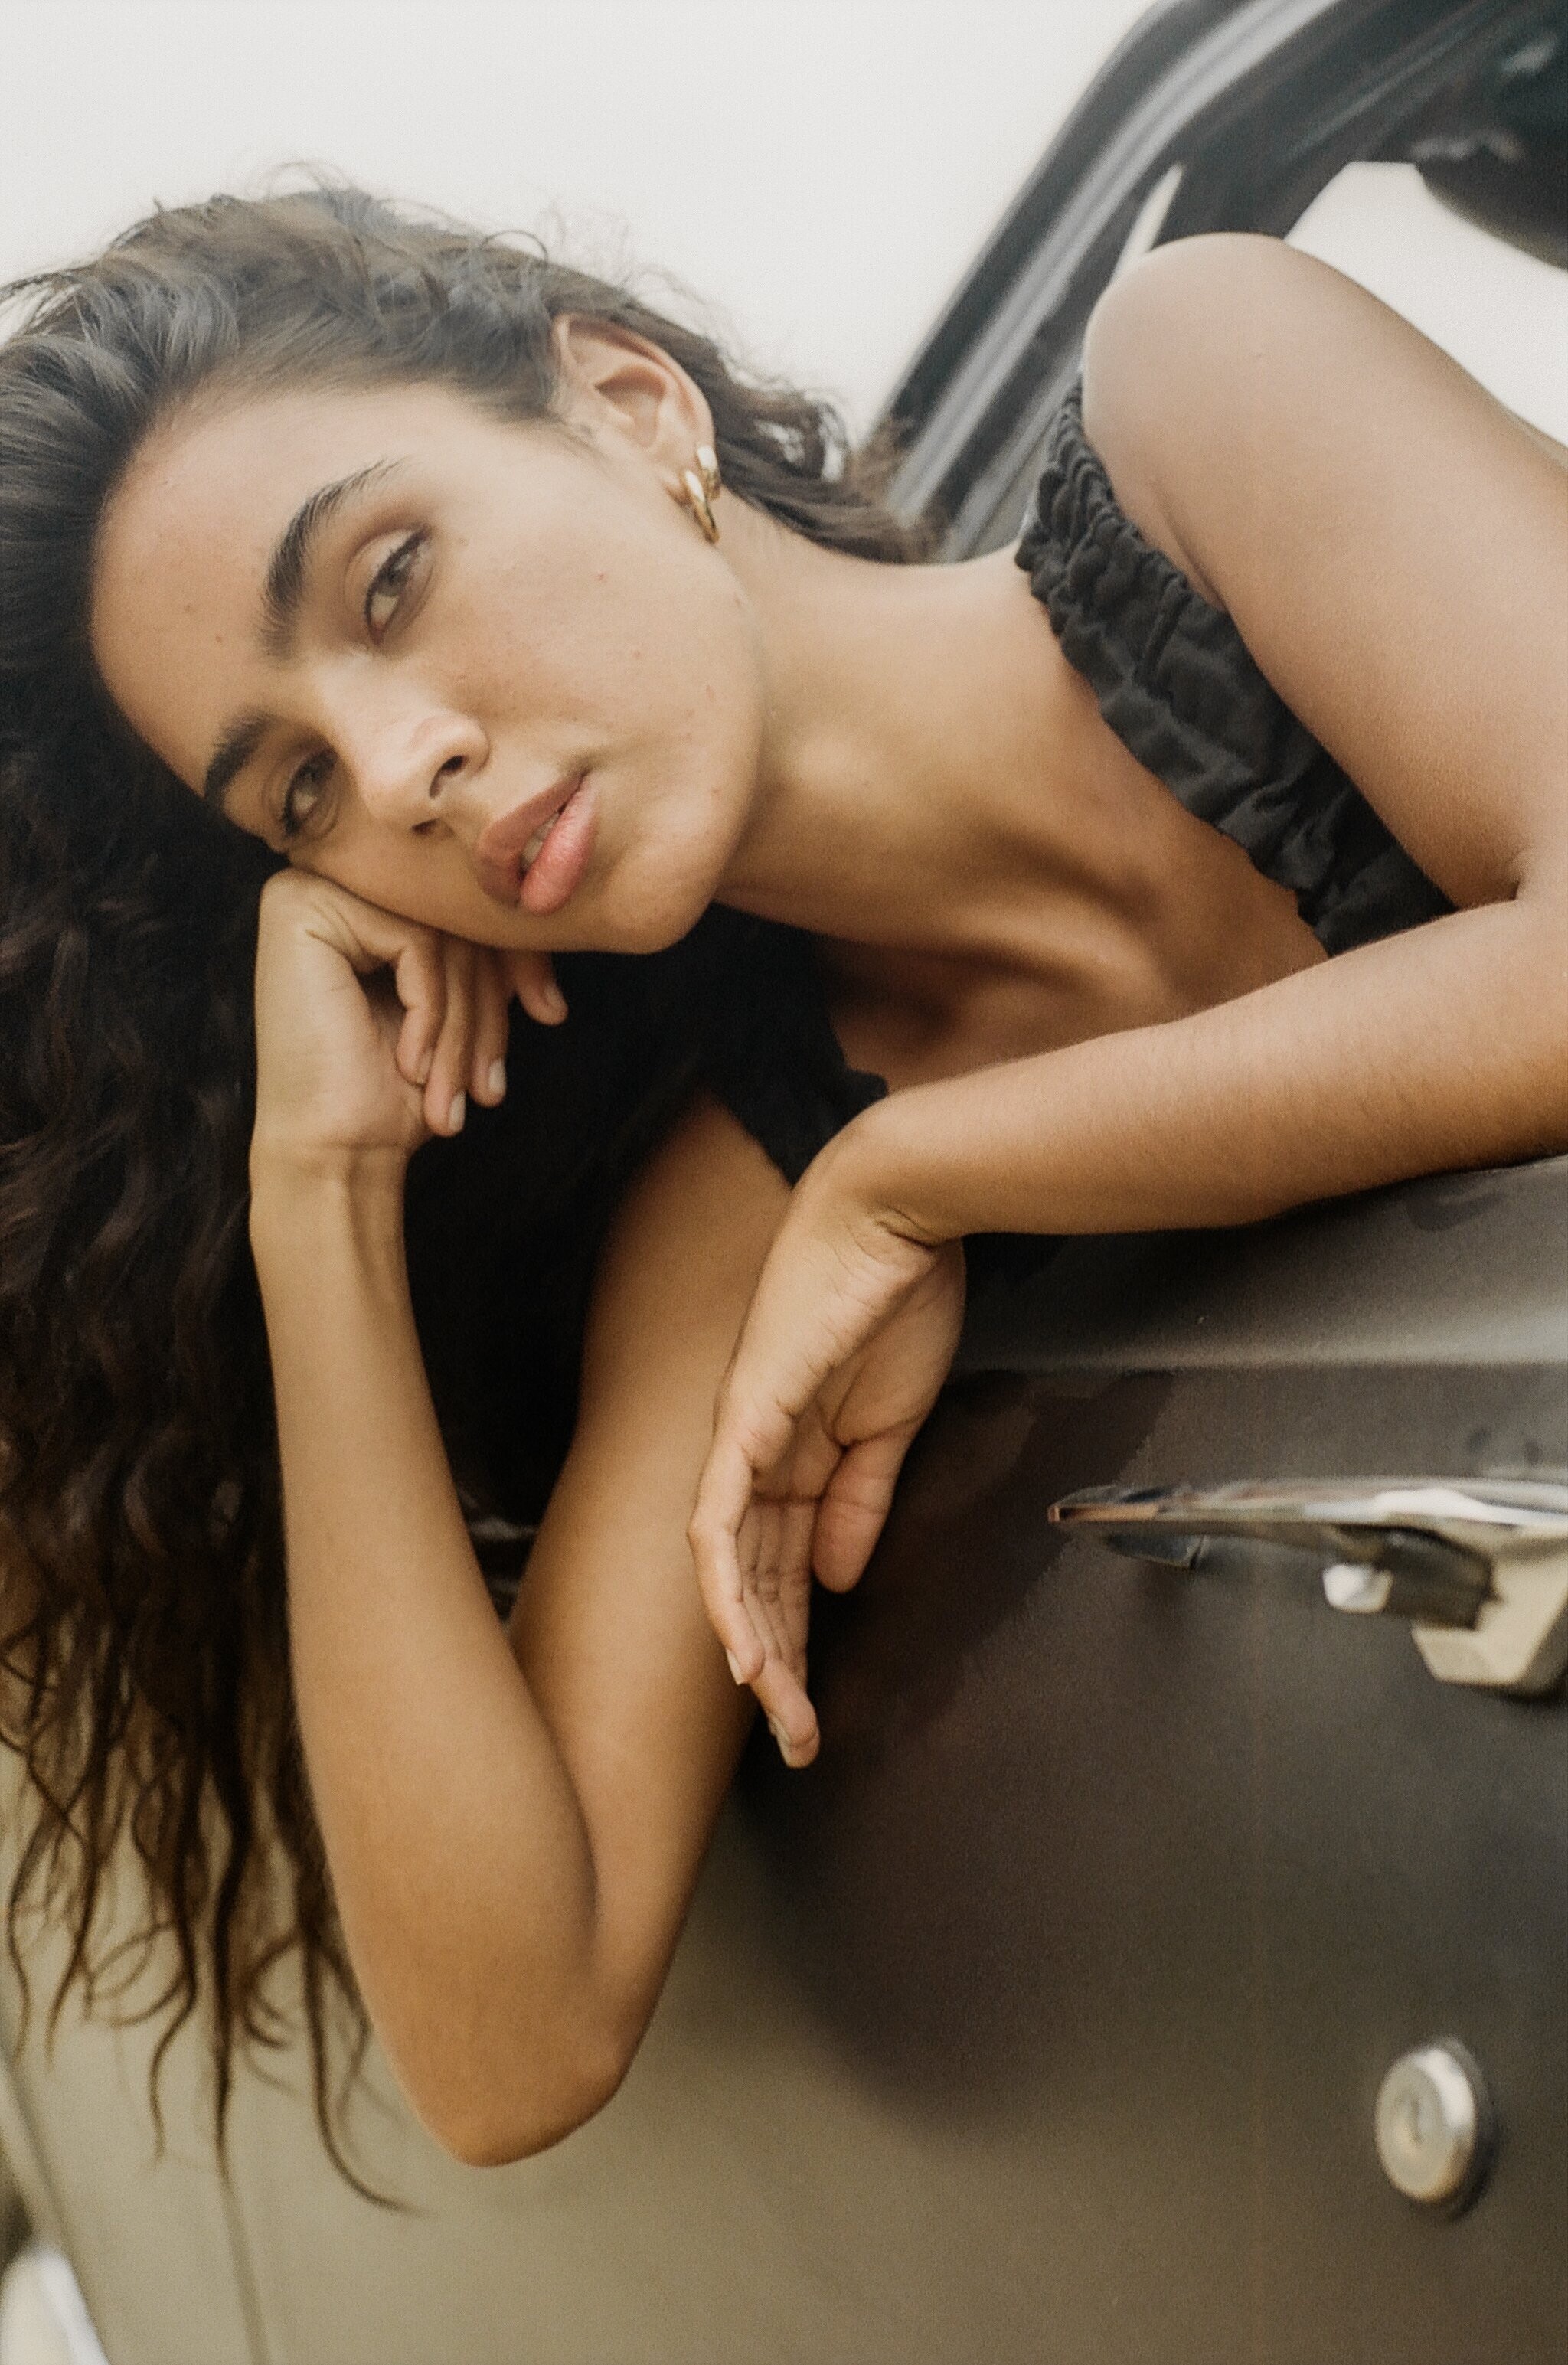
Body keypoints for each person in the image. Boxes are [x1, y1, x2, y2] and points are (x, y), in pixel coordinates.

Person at [1, 185, 1563, 2171]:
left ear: (630, 407)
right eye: (298, 789)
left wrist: (919, 1173)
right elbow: (514, 2036)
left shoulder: (1211, 387)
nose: (397, 771)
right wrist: (315, 1190)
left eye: (389, 581)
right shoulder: (749, 1191)